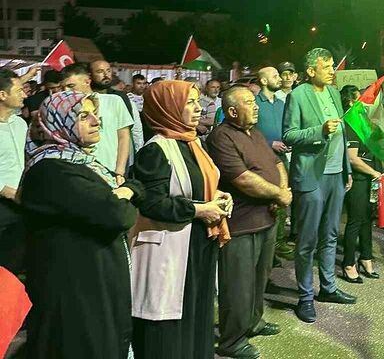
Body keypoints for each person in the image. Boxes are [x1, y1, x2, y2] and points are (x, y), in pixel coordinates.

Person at [21, 91, 144, 359]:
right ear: (59, 122)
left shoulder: (82, 162)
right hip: (74, 292)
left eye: (95, 114)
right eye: (82, 115)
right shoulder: (52, 170)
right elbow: (118, 216)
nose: (96, 121)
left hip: (92, 284)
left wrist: (125, 192)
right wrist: (126, 192)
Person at [129, 80, 232, 359]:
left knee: (196, 314)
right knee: (170, 323)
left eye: (198, 101)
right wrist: (200, 210)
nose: (198, 108)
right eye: (189, 102)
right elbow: (151, 202)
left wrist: (220, 197)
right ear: (169, 107)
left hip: (198, 244)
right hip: (171, 249)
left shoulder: (191, 142)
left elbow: (199, 185)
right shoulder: (156, 150)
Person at [207, 85, 288, 359]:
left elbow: (277, 164)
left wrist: (282, 192)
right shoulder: (222, 137)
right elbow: (243, 179)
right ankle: (232, 339)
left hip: (267, 218)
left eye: (255, 102)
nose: (255, 107)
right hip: (240, 225)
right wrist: (279, 194)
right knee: (238, 284)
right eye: (249, 103)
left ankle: (253, 321)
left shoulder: (254, 133)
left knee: (259, 278)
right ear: (231, 111)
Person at [282, 48, 355, 323]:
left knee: (331, 234)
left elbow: (343, 135)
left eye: (332, 66)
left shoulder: (334, 93)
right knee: (307, 240)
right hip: (311, 177)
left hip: (335, 175)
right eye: (327, 67)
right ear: (311, 70)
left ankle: (328, 288)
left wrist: (346, 169)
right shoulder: (298, 95)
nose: (332, 71)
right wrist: (320, 131)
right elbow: (288, 135)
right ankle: (305, 297)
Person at [62, 63, 134, 184]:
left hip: (110, 171)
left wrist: (120, 171)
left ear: (87, 82)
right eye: (62, 87)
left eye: (71, 86)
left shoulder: (114, 101)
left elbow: (124, 137)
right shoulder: (63, 108)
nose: (66, 91)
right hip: (77, 173)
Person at [340, 85, 382, 283]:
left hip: (370, 180)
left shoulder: (363, 123)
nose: (367, 103)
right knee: (356, 221)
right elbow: (353, 159)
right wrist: (374, 172)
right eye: (361, 99)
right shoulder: (349, 125)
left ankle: (366, 257)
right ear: (350, 101)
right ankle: (349, 263)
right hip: (357, 181)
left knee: (367, 220)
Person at [254, 65, 294, 263]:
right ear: (263, 80)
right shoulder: (254, 104)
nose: (280, 79)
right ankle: (265, 246)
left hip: (281, 161)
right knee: (266, 202)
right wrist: (271, 143)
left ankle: (278, 242)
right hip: (261, 162)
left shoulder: (281, 104)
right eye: (275, 76)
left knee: (282, 198)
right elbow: (249, 134)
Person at [0, 70, 29, 273]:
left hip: (21, 202)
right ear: (2, 95)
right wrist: (5, 190)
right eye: (19, 90)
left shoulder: (20, 124)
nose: (25, 94)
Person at [90, 60, 143, 154]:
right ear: (90, 75)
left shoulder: (120, 97)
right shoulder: (85, 98)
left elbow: (134, 128)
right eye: (100, 71)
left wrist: (138, 150)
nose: (106, 75)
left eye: (108, 71)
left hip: (118, 152)